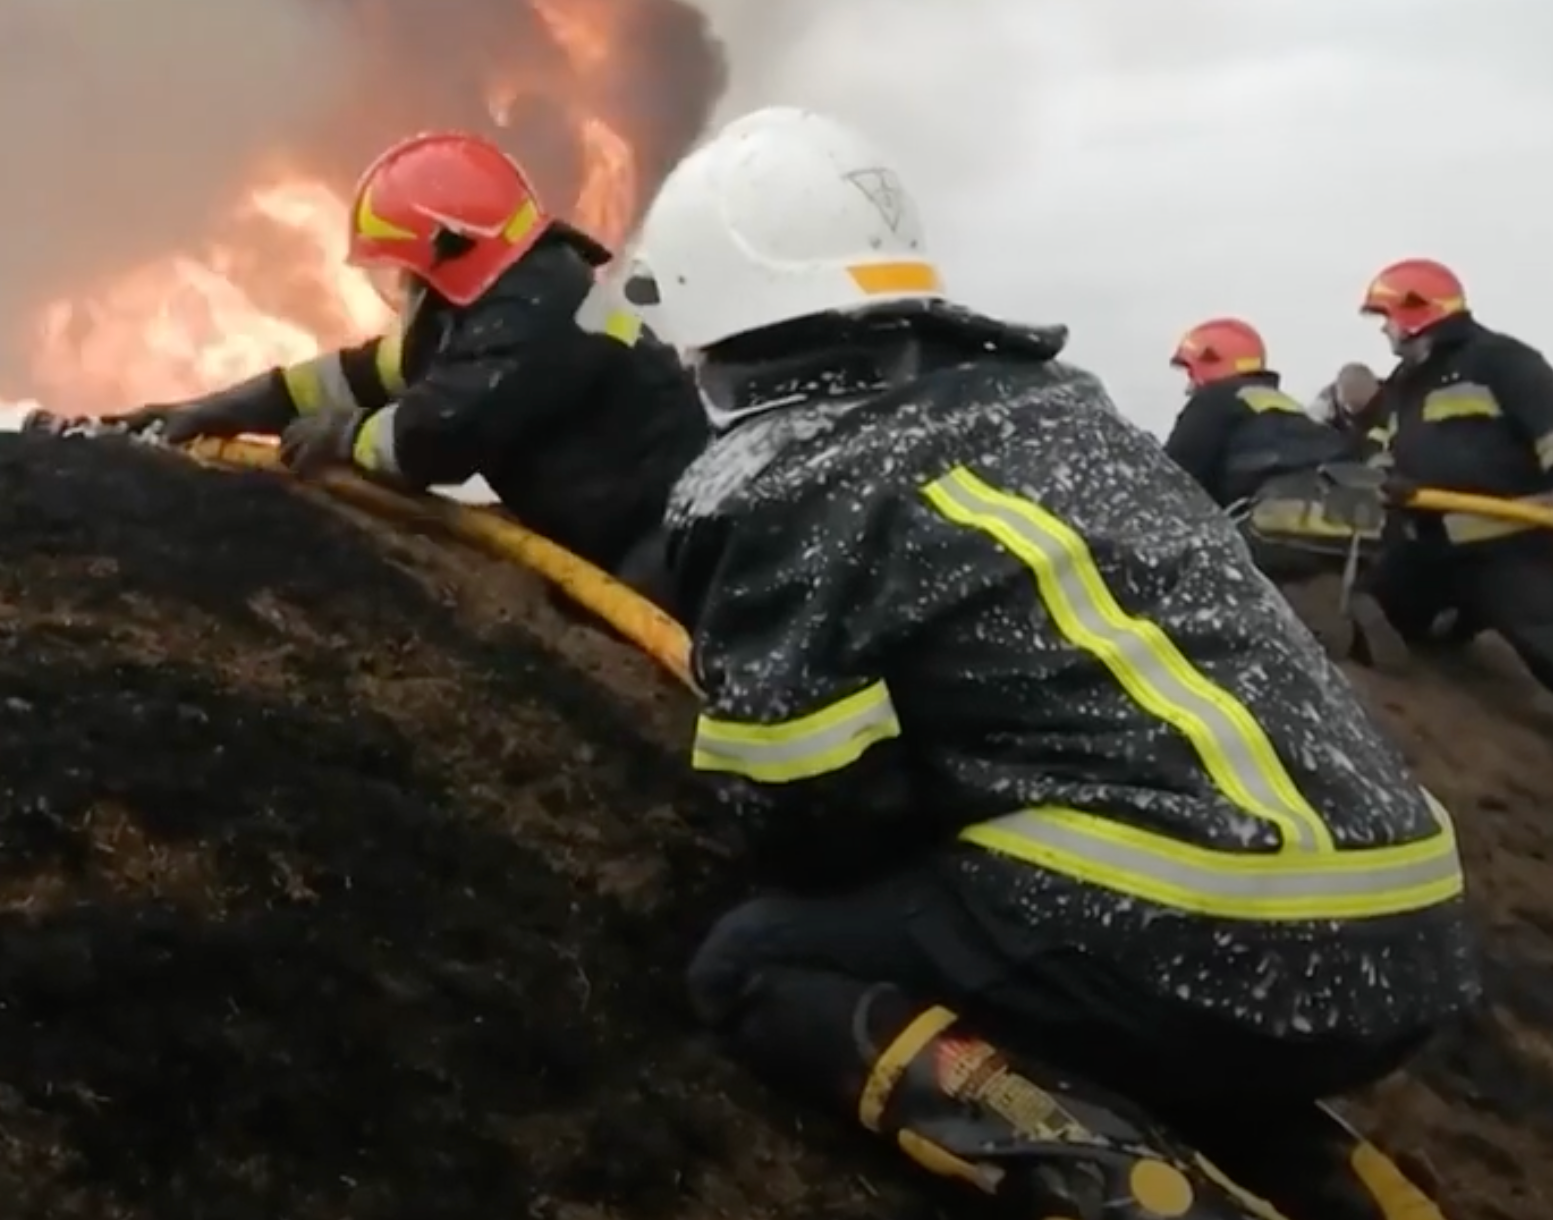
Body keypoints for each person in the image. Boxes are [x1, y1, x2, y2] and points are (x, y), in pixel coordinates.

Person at [626, 107, 1476, 1220]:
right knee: (1095, 977)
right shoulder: (1062, 408)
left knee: (758, 960)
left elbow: (803, 815)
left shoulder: (785, 478)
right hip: (1408, 931)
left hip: (1209, 933)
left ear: (714, 318)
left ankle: (1136, 1193)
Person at [33, 129, 710, 610]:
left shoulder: (538, 314)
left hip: (665, 545)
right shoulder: (491, 297)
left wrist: (342, 437)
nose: (401, 285)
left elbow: (436, 435)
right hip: (607, 528)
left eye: (405, 266)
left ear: (446, 248)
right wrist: (211, 410)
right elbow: (359, 374)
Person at [1358, 257, 1553, 803]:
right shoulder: (1404, 386)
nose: (1384, 328)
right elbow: (1381, 449)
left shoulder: (1501, 359)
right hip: (1428, 549)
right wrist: (1384, 483)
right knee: (1378, 607)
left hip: (1503, 547)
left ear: (1415, 311)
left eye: (1386, 314)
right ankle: (1456, 621)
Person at [1162, 318, 1372, 585]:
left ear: (1210, 363)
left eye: (1191, 372)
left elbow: (1174, 476)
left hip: (1263, 547)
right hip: (1338, 540)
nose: (1189, 387)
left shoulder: (1214, 401)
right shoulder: (1288, 408)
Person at [1310, 362, 1390, 456]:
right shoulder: (1324, 409)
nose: (1358, 413)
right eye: (1352, 406)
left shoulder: (1398, 400)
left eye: (1364, 406)